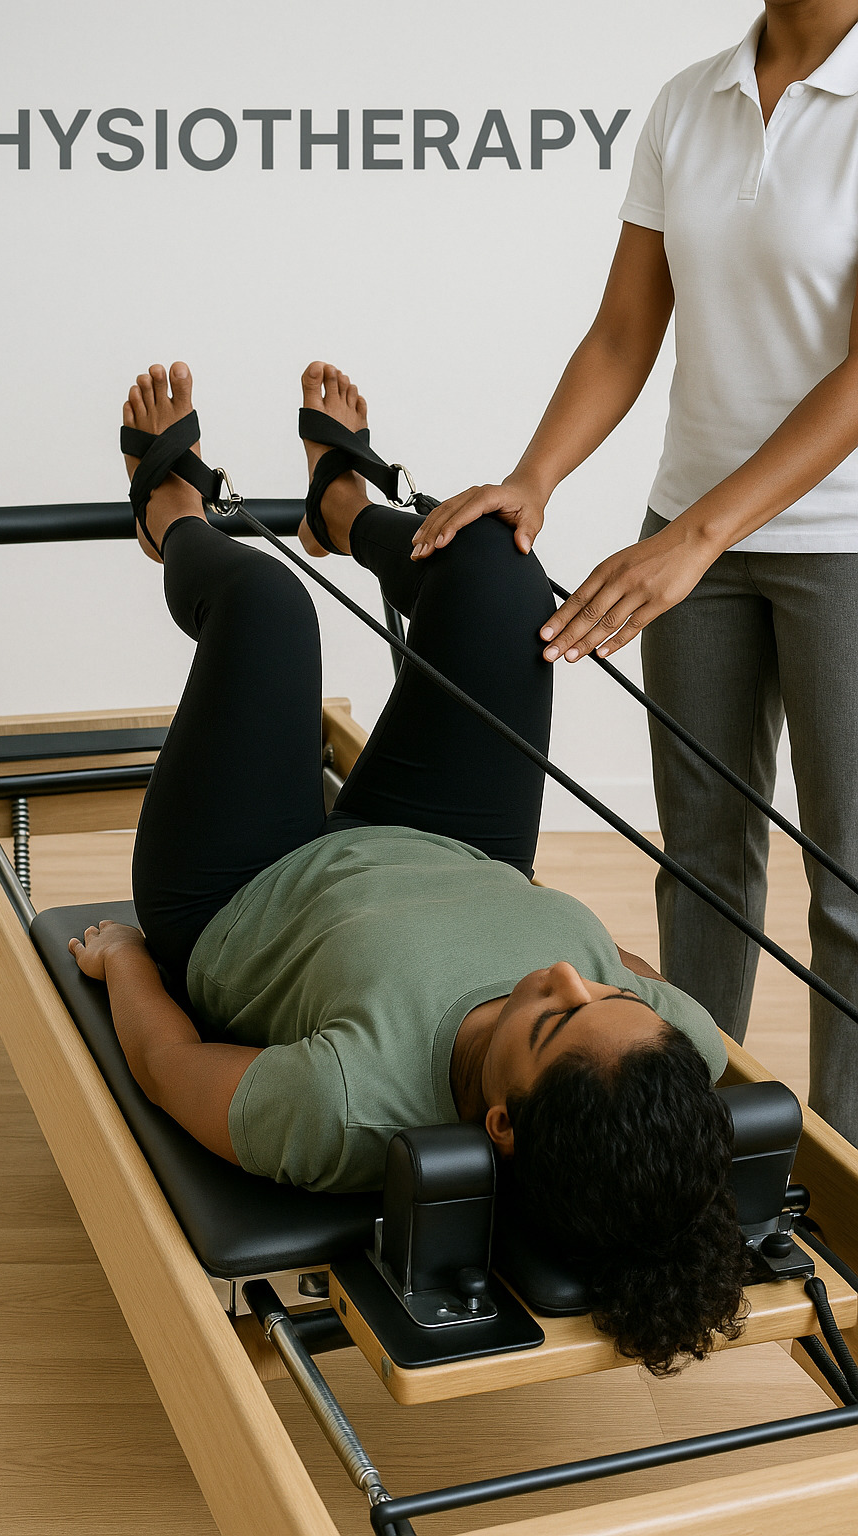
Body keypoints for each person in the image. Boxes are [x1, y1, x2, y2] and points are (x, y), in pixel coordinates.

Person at [69, 358, 747, 1376]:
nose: (568, 975)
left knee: (267, 610)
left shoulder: (348, 1107)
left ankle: (171, 513)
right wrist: (601, 989)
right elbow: (623, 993)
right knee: (498, 569)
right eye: (604, 990)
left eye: (553, 1017)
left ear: (502, 1124)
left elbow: (171, 1073)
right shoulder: (672, 1050)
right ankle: (339, 503)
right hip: (448, 842)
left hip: (237, 888)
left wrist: (125, 958)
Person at [409, 2, 858, 1147]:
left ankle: (849, 1188)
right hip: (692, 540)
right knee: (701, 860)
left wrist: (692, 538)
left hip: (837, 543)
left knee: (850, 887)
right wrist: (535, 476)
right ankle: (687, 1139)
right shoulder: (689, 100)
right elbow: (623, 330)